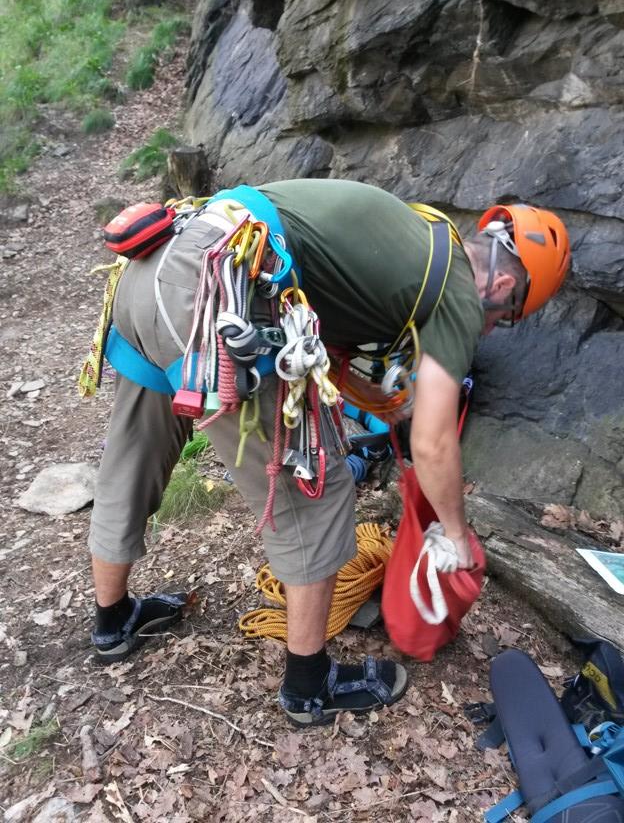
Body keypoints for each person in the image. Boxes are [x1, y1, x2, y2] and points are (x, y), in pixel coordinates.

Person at [83, 179, 570, 727]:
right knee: (316, 491)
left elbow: (319, 312)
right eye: (506, 316)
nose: (492, 328)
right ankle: (309, 687)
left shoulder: (423, 231)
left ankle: (113, 621)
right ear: (503, 284)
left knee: (134, 456)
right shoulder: (456, 292)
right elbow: (433, 442)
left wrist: (372, 393)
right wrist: (456, 535)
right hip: (216, 293)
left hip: (159, 264)